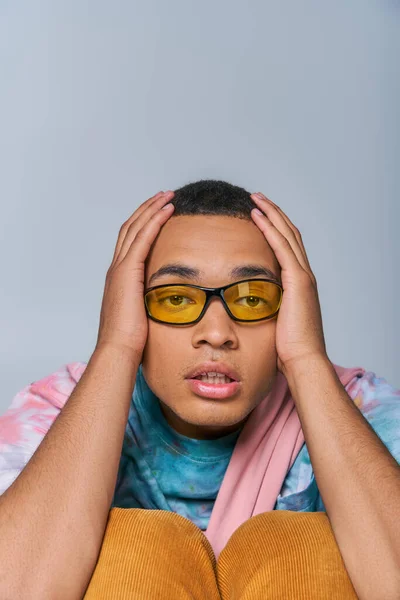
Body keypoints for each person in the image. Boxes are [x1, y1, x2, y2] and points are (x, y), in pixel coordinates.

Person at [0, 180, 399, 599]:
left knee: (292, 548)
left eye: (251, 298)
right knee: (139, 547)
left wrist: (305, 360)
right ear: (132, 305)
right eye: (175, 298)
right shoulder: (59, 407)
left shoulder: (356, 407)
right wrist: (116, 347)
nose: (216, 333)